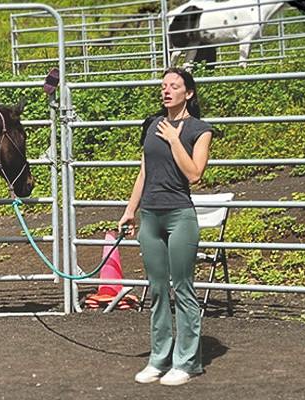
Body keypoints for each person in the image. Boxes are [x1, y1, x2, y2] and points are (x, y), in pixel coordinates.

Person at [118, 67, 215, 386]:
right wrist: (130, 210)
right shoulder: (152, 124)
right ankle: (159, 358)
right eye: (163, 85)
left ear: (188, 93)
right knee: (158, 290)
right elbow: (144, 172)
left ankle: (187, 361)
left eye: (174, 85)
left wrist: (175, 139)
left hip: (179, 217)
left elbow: (194, 174)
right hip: (151, 216)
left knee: (183, 288)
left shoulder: (199, 130)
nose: (167, 90)